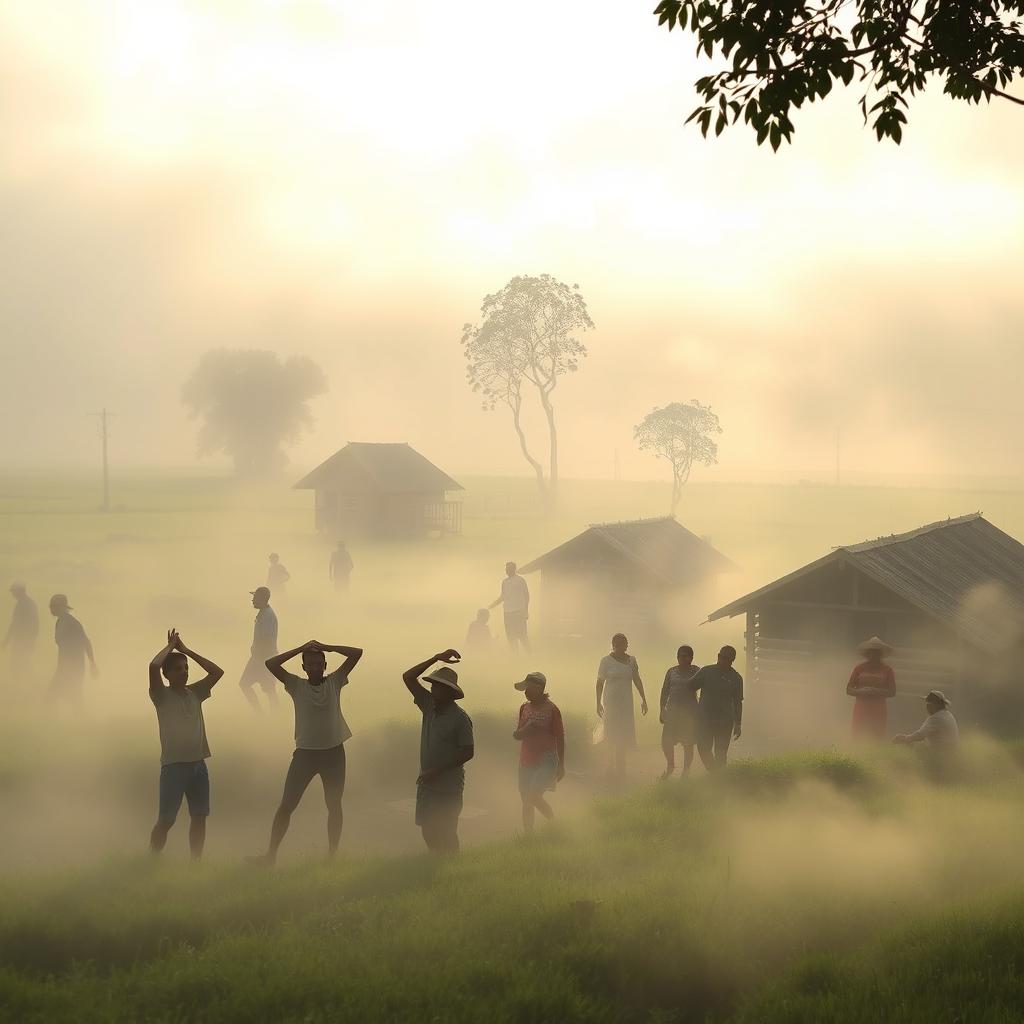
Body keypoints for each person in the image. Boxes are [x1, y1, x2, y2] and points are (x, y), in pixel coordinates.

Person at [251, 638, 363, 864]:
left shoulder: (335, 681)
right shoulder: (296, 685)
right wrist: (300, 649)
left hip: (334, 752)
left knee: (334, 804)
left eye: (318, 663)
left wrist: (329, 647)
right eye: (309, 664)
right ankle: (270, 855)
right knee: (287, 804)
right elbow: (271, 664)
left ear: (325, 666)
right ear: (303, 667)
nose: (314, 667)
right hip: (305, 754)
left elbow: (357, 653)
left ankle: (332, 855)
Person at [148, 629, 224, 860]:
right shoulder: (161, 695)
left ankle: (196, 862)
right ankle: (151, 859)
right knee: (167, 820)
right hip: (173, 766)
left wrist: (186, 650)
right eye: (178, 669)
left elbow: (217, 672)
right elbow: (153, 666)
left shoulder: (195, 692)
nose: (184, 673)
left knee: (199, 816)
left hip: (198, 765)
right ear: (167, 675)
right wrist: (171, 647)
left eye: (186, 669)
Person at [401, 649, 474, 854]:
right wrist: (435, 658)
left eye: (439, 687)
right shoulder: (428, 705)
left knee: (448, 830)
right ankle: (437, 861)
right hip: (427, 783)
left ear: (451, 692)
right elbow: (408, 677)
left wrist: (437, 771)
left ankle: (451, 865)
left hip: (449, 786)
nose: (433, 690)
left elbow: (468, 752)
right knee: (427, 828)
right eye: (433, 686)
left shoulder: (460, 718)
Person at [513, 671, 565, 832]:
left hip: (546, 759)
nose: (525, 692)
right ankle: (528, 834)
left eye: (528, 688)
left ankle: (553, 823)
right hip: (526, 759)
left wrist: (561, 764)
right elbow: (518, 734)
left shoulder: (552, 710)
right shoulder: (524, 708)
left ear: (539, 688)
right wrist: (524, 731)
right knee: (526, 800)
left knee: (534, 796)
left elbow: (560, 738)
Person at [596, 633, 648, 780]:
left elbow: (636, 679)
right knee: (611, 732)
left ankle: (621, 766)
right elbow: (599, 682)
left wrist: (643, 698)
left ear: (626, 645)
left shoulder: (632, 661)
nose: (620, 647)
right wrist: (598, 702)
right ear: (613, 645)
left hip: (626, 703)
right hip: (611, 702)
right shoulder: (606, 661)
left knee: (623, 732)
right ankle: (610, 763)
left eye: (623, 644)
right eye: (617, 644)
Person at [691, 645, 743, 771]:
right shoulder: (706, 672)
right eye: (723, 658)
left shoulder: (736, 678)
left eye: (729, 659)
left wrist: (738, 723)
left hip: (725, 721)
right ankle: (714, 772)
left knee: (721, 752)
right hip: (705, 719)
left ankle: (719, 777)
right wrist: (695, 706)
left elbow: (738, 702)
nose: (725, 661)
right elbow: (690, 686)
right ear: (718, 656)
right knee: (703, 748)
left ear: (733, 660)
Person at [659, 644, 700, 779]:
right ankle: (670, 765)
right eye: (681, 656)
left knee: (688, 743)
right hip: (672, 711)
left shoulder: (696, 671)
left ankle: (686, 771)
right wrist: (662, 710)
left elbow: (705, 688)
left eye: (687, 656)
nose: (684, 659)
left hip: (689, 712)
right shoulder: (671, 672)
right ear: (677, 657)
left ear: (692, 658)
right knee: (666, 741)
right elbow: (665, 691)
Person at [48, 594, 97, 704]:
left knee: (54, 695)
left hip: (74, 666)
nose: (51, 609)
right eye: (51, 606)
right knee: (71, 698)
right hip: (64, 665)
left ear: (61, 607)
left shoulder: (71, 622)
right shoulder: (60, 621)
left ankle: (54, 720)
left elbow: (86, 642)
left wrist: (92, 663)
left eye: (54, 606)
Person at [847, 637, 897, 741]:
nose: (874, 655)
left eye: (877, 652)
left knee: (876, 734)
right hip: (861, 707)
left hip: (878, 707)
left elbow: (892, 692)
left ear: (881, 654)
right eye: (871, 652)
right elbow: (849, 689)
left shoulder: (887, 670)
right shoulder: (859, 668)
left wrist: (876, 692)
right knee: (858, 732)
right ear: (867, 654)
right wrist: (861, 691)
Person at [239, 587, 279, 711]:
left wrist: (259, 658)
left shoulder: (268, 616)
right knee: (269, 689)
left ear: (262, 599)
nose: (252, 600)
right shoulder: (264, 613)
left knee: (246, 684)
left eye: (255, 598)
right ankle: (272, 714)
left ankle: (262, 713)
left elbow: (267, 640)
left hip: (263, 659)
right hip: (262, 658)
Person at [893, 689, 959, 757]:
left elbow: (920, 735)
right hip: (949, 752)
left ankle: (909, 764)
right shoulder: (947, 714)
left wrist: (905, 739)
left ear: (934, 705)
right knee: (916, 743)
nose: (927, 707)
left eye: (928, 704)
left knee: (909, 743)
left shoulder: (936, 718)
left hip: (940, 754)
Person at [489, 562, 530, 654]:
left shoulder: (520, 580)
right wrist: (493, 605)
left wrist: (526, 611)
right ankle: (515, 655)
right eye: (506, 569)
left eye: (509, 568)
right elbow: (503, 596)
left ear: (514, 569)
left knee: (522, 634)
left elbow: (526, 595)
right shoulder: (505, 582)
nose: (507, 570)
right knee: (511, 636)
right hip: (507, 612)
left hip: (519, 611)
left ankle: (529, 653)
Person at [3, 582, 39, 684]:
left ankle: (23, 685)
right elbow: (36, 624)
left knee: (18, 664)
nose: (12, 594)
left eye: (13, 591)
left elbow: (14, 624)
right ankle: (26, 685)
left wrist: (6, 641)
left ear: (19, 591)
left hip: (22, 640)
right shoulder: (30, 603)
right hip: (27, 640)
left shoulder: (22, 604)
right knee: (24, 662)